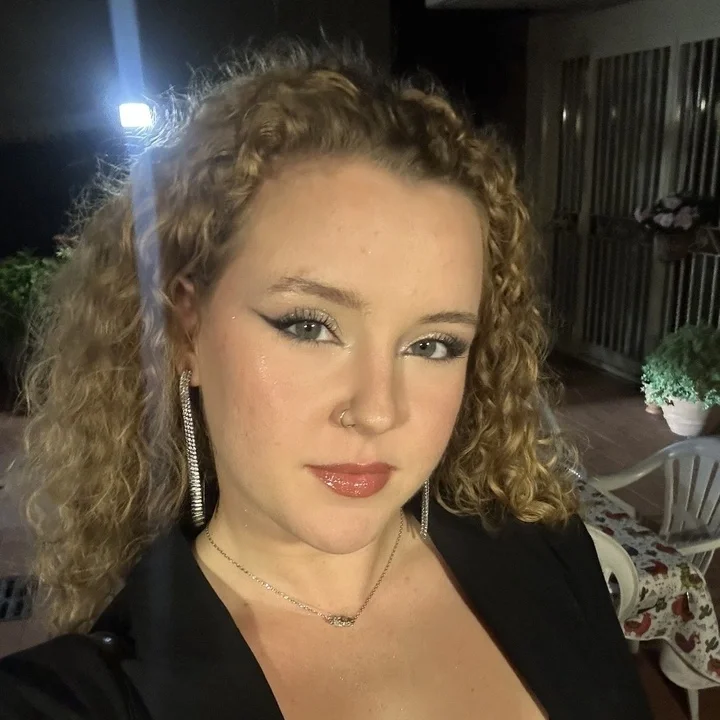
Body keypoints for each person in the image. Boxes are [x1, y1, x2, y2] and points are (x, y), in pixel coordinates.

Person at [0, 40, 651, 720]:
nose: (377, 411)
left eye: (432, 344)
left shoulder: (549, 551)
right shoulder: (80, 699)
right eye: (309, 326)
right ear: (184, 329)